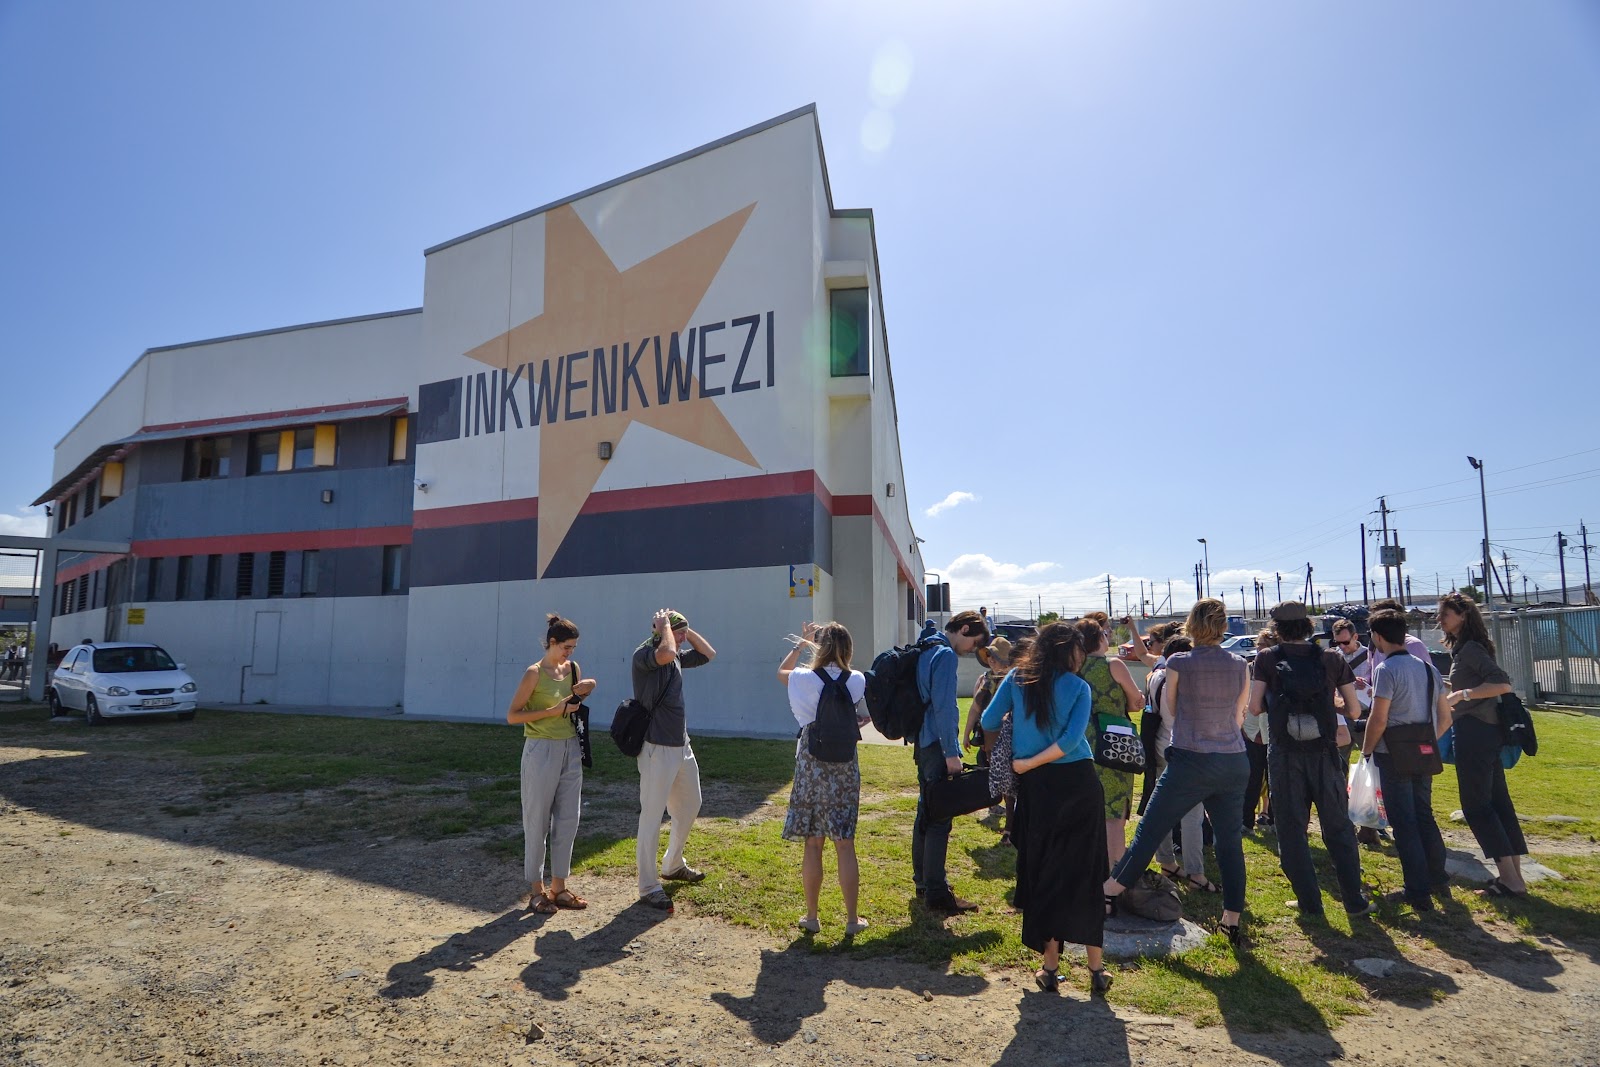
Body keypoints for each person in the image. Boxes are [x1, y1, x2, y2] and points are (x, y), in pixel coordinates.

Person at [1105, 598, 1250, 945]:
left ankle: (1108, 892)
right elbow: (1239, 714)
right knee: (1230, 843)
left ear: (1191, 625)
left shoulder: (1179, 662)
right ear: (1223, 626)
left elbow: (1169, 706)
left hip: (1190, 758)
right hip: (1233, 759)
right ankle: (1231, 920)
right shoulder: (1240, 663)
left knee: (1150, 831)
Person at [985, 622, 1111, 995]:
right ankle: (1097, 970)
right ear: (1070, 651)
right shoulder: (1079, 687)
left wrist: (1025, 758)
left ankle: (1050, 968)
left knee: (1045, 872)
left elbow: (989, 720)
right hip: (1079, 784)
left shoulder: (1016, 678)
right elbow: (1071, 740)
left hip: (1038, 788)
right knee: (1086, 873)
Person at [1249, 601, 1373, 920]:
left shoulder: (1267, 658)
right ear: (1308, 625)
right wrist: (1330, 704)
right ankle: (1354, 901)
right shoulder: (1331, 658)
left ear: (1277, 628)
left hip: (1285, 753)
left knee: (1292, 829)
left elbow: (1254, 707)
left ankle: (1309, 903)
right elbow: (1354, 710)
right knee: (1338, 827)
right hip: (1325, 753)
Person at [777, 620, 871, 934]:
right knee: (845, 844)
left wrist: (801, 643)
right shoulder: (856, 679)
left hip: (811, 762)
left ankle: (812, 916)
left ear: (820, 647)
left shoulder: (803, 678)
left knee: (813, 843)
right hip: (845, 764)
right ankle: (852, 920)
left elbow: (781, 672)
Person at [1360, 608, 1452, 910]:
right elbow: (1445, 717)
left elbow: (1379, 718)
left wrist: (1367, 750)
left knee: (1404, 821)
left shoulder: (1385, 669)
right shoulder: (1428, 668)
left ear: (1377, 637)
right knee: (1424, 815)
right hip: (1424, 752)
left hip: (1393, 754)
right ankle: (1438, 879)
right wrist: (1427, 740)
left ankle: (1417, 891)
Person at [505, 614, 597, 913]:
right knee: (537, 820)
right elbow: (513, 715)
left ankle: (559, 888)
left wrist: (585, 689)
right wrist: (552, 711)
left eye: (574, 648)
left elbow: (572, 705)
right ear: (552, 642)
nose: (570, 652)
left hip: (570, 747)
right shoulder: (534, 673)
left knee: (568, 819)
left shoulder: (573, 669)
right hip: (540, 749)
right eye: (566, 647)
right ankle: (536, 890)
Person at [1438, 592, 1526, 896]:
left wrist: (1460, 695)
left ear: (1463, 616)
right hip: (1485, 732)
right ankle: (1513, 878)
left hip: (1476, 732)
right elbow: (1473, 684)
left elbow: (1501, 683)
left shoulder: (1471, 649)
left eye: (1445, 614)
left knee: (1476, 805)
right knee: (1498, 803)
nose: (1440, 619)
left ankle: (1510, 879)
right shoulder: (1467, 649)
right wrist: (1446, 685)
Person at [633, 608, 717, 911]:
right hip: (656, 748)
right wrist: (667, 628)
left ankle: (672, 864)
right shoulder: (645, 655)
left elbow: (708, 654)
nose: (681, 639)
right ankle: (648, 885)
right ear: (660, 631)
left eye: (682, 634)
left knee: (691, 803)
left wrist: (685, 629)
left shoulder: (677, 654)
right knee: (652, 816)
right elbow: (666, 652)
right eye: (677, 633)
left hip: (681, 745)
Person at [911, 609, 990, 914]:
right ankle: (936, 892)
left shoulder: (926, 644)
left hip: (923, 742)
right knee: (940, 818)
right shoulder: (945, 655)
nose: (972, 650)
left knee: (927, 811)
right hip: (937, 745)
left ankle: (923, 882)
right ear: (965, 629)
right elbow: (944, 708)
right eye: (974, 643)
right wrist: (951, 753)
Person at [1143, 635, 1218, 891]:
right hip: (1186, 749)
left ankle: (1166, 862)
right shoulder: (1185, 678)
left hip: (1160, 746)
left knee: (1162, 808)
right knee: (1192, 813)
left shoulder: (1155, 676)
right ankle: (1196, 873)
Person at [1075, 618, 1144, 867]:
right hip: (1113, 742)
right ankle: (1115, 868)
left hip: (1081, 743)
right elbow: (1136, 702)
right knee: (1114, 812)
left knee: (1088, 807)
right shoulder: (1113, 665)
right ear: (1099, 638)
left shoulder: (1073, 668)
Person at [966, 636, 1015, 843]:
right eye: (989, 656)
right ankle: (996, 808)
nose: (991, 660)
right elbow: (976, 707)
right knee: (995, 777)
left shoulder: (1015, 679)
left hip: (1012, 737)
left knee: (1011, 784)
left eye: (995, 656)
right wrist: (967, 732)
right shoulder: (985, 679)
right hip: (990, 738)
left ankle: (1010, 828)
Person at [1242, 628, 1278, 833]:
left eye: (1264, 646)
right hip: (1251, 728)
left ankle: (1273, 820)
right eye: (1259, 645)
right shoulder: (1248, 669)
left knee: (1275, 779)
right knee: (1251, 779)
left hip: (1274, 730)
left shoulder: (1279, 669)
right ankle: (1246, 821)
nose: (1260, 650)